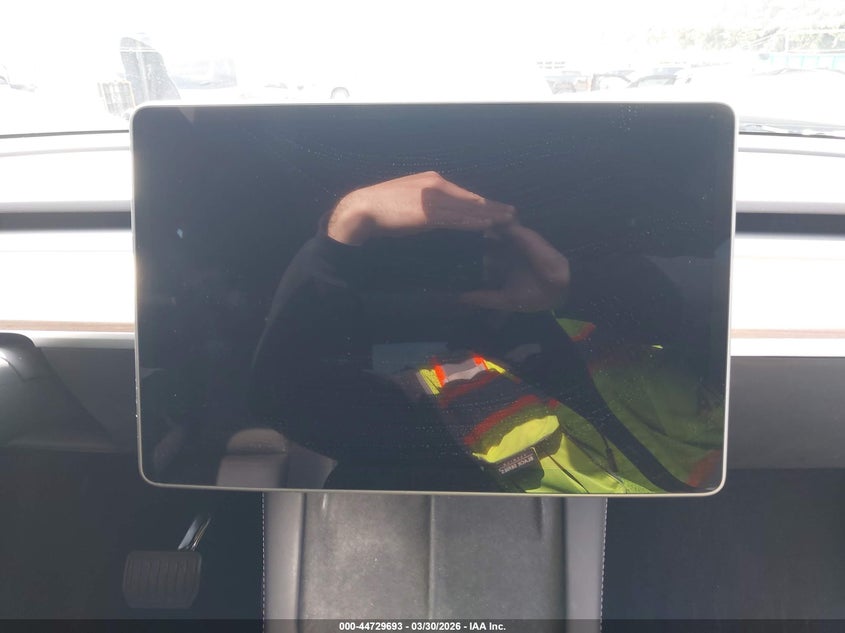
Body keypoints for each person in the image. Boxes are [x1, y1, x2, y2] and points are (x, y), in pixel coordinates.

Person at [250, 171, 722, 492]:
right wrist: (348, 226)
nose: (473, 261)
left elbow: (740, 312)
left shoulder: (634, 323)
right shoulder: (435, 399)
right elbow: (291, 401)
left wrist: (573, 284)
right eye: (438, 250)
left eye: (490, 238)